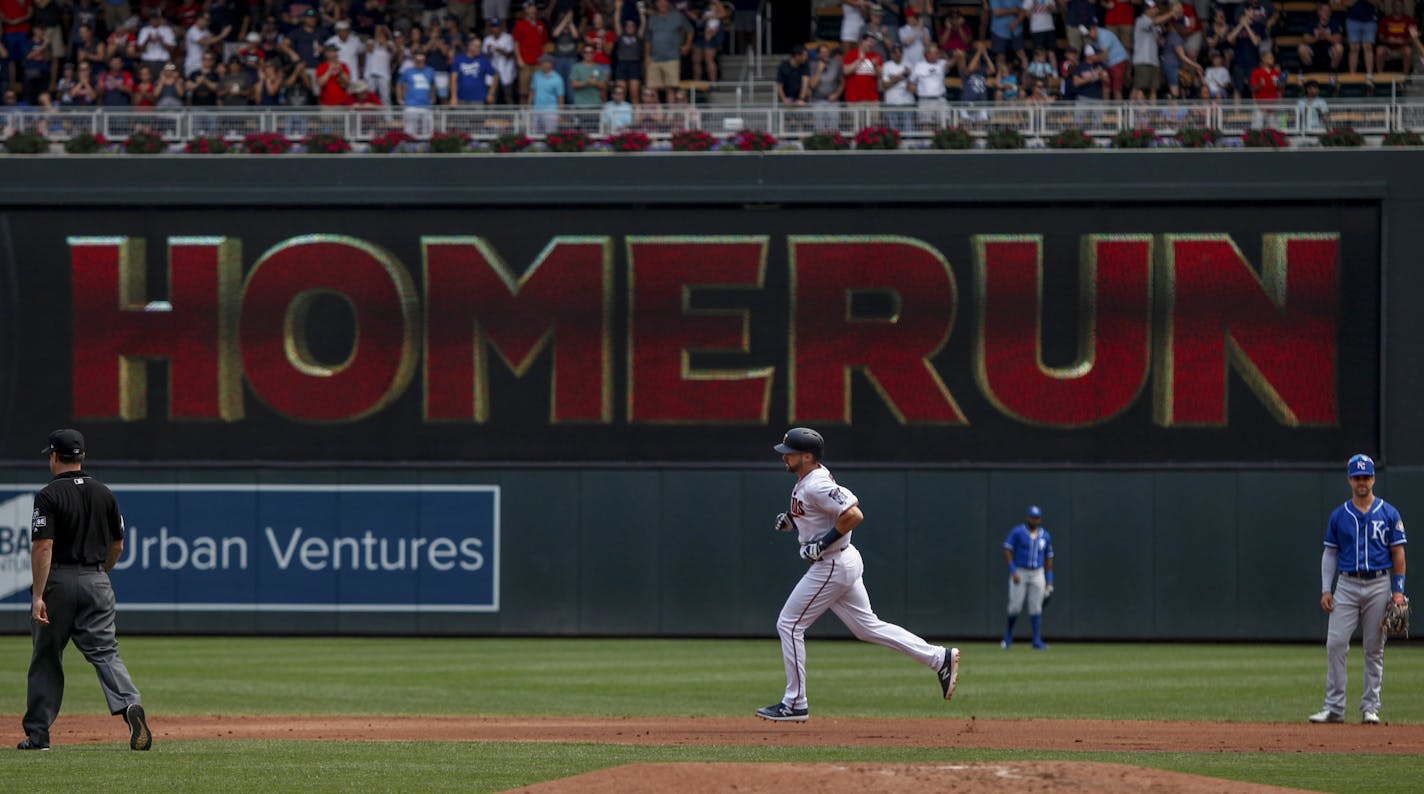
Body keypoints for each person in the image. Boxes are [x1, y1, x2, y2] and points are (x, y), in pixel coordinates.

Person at [756, 427, 960, 723]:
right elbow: (821, 514)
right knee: (867, 627)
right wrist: (792, 521)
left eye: (790, 453)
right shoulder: (809, 480)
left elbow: (853, 514)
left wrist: (821, 544)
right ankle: (938, 658)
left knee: (789, 625)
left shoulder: (816, 483)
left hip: (832, 563)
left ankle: (795, 702)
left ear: (808, 456)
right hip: (842, 561)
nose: (784, 457)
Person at [20, 429, 152, 752]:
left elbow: (43, 546)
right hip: (97, 580)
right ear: (81, 457)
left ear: (54, 456)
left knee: (47, 656)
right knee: (106, 652)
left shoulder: (48, 496)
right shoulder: (105, 493)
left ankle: (39, 737)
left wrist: (39, 595)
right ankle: (130, 703)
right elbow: (118, 545)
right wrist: (100, 575)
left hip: (59, 581)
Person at [1309, 454, 1408, 726]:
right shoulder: (1339, 515)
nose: (1362, 482)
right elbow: (1330, 553)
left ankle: (1370, 708)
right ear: (1350, 479)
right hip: (1347, 584)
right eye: (1357, 477)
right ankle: (1334, 708)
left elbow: (1398, 553)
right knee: (1336, 643)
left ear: (1373, 478)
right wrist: (1325, 589)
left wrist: (1398, 591)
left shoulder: (1389, 513)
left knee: (1374, 647)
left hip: (1378, 583)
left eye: (1366, 477)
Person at [1001, 505, 1054, 650]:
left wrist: (1050, 581)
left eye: (1036, 517)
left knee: (1036, 608)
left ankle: (1036, 640)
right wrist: (1013, 570)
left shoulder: (1045, 535)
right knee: (1015, 607)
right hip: (1020, 571)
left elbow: (1049, 558)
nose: (1034, 520)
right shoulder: (1018, 532)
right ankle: (1008, 637)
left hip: (1038, 572)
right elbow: (1007, 549)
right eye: (1032, 517)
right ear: (1027, 517)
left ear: (1040, 519)